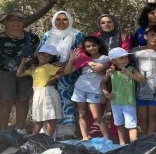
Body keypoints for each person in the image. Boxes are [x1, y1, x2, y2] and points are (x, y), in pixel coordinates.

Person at [0, 10, 40, 133]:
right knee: (5, 101)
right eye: (12, 20)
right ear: (6, 22)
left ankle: (20, 129)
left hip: (26, 73)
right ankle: (3, 130)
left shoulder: (33, 38)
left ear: (24, 22)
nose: (15, 23)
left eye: (19, 20)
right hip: (4, 73)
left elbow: (39, 56)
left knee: (23, 100)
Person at [39, 10, 84, 138]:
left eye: (65, 19)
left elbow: (81, 54)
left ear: (70, 21)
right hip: (49, 72)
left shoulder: (77, 35)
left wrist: (64, 64)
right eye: (58, 19)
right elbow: (40, 53)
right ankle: (49, 131)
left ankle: (67, 131)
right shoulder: (47, 35)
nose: (61, 22)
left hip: (69, 73)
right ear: (54, 21)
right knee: (49, 99)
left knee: (67, 100)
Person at [66, 35, 111, 140]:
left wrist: (106, 93)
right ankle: (85, 137)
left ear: (99, 45)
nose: (91, 48)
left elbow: (110, 73)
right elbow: (67, 71)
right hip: (80, 88)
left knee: (97, 116)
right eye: (88, 46)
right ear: (85, 48)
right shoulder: (83, 59)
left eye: (94, 45)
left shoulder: (105, 59)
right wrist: (71, 60)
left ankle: (107, 139)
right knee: (82, 114)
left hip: (95, 90)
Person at [16, 44, 63, 137]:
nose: (44, 57)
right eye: (42, 54)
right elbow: (19, 74)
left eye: (48, 56)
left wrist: (53, 79)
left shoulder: (49, 67)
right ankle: (34, 137)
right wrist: (23, 63)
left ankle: (49, 139)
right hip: (38, 94)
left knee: (50, 118)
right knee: (38, 118)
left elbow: (63, 71)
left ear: (51, 58)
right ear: (37, 54)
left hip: (48, 93)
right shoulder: (34, 68)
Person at [102, 48, 146, 145]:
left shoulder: (131, 69)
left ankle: (134, 145)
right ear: (113, 61)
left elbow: (143, 80)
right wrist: (106, 93)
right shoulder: (111, 71)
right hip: (115, 102)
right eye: (121, 58)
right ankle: (122, 144)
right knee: (119, 124)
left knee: (132, 125)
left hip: (129, 102)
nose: (125, 59)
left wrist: (129, 74)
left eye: (126, 57)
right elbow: (103, 83)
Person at [131, 25, 156, 134]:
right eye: (152, 35)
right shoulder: (135, 51)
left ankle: (150, 138)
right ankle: (144, 137)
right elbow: (129, 67)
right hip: (139, 90)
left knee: (153, 116)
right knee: (142, 117)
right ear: (145, 36)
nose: (154, 38)